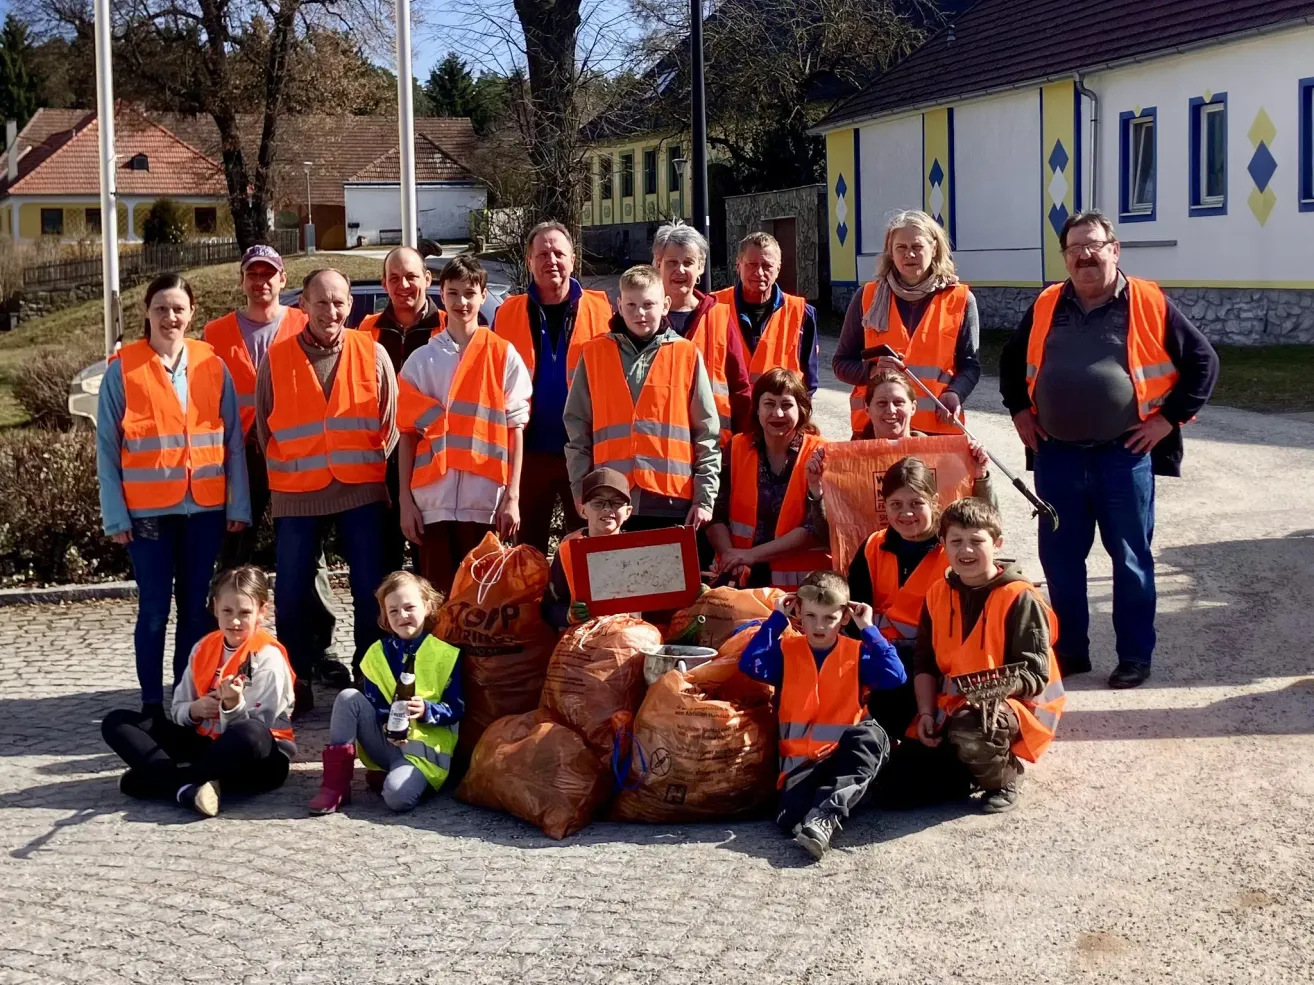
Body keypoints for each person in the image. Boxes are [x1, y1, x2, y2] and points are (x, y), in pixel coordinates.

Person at [1000, 209, 1219, 689]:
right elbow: (1012, 361)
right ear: (1065, 257)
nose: (1084, 255)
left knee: (1131, 558)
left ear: (1114, 250)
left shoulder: (1147, 301)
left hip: (1123, 455)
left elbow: (1204, 362)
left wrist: (1167, 420)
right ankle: (1071, 651)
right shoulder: (1046, 304)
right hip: (1056, 456)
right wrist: (1019, 412)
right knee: (1060, 559)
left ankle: (1135, 656)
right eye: (1074, 248)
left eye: (1094, 245)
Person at [97, 273, 251, 716]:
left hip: (203, 509)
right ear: (146, 312)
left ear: (191, 313)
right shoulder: (122, 369)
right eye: (161, 308)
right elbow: (106, 449)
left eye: (178, 309)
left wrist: (236, 503)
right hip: (147, 513)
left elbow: (233, 441)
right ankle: (150, 703)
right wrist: (116, 517)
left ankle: (187, 697)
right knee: (153, 610)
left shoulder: (211, 364)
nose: (170, 317)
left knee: (194, 609)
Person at [255, 268, 398, 716]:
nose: (330, 311)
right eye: (321, 302)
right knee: (292, 591)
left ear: (351, 304)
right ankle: (295, 681)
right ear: (303, 306)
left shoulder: (372, 354)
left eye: (338, 302)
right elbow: (264, 428)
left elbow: (390, 426)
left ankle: (370, 676)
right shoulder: (275, 360)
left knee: (369, 587)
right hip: (297, 493)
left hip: (361, 491)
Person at [204, 244, 337, 671]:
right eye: (252, 275)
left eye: (269, 274)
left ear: (283, 280)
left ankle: (319, 648)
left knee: (306, 551)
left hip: (294, 454)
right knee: (235, 552)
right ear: (242, 281)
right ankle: (230, 647)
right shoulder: (217, 333)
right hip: (239, 458)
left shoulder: (303, 321)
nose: (261, 282)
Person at [895, 498, 1064, 814]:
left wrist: (982, 693)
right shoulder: (937, 593)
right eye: (956, 541)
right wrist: (926, 715)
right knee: (896, 790)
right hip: (956, 707)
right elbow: (925, 662)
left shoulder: (1020, 596)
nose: (966, 550)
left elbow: (1035, 675)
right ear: (942, 544)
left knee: (972, 728)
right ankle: (968, 766)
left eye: (977, 541)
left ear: (997, 543)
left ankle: (1005, 776)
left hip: (1015, 706)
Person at [101, 566, 296, 818]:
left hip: (258, 758)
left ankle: (164, 780)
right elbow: (179, 708)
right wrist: (194, 710)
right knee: (117, 721)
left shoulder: (268, 656)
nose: (235, 621)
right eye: (227, 611)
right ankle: (185, 786)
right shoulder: (204, 646)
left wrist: (232, 706)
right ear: (215, 607)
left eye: (244, 613)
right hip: (205, 743)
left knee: (249, 733)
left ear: (261, 612)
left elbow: (258, 731)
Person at [737, 570, 904, 859]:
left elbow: (896, 676)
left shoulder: (857, 651)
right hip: (801, 767)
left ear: (845, 617)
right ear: (798, 611)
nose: (819, 626)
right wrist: (777, 620)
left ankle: (826, 815)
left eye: (829, 618)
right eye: (811, 616)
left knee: (871, 735)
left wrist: (869, 629)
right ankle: (836, 803)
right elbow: (750, 664)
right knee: (788, 821)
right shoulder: (787, 650)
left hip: (845, 752)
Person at [397, 254, 531, 594]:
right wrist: (406, 502)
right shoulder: (422, 361)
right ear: (441, 294)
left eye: (470, 293)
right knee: (438, 603)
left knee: (485, 604)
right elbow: (407, 435)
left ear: (483, 296)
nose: (462, 302)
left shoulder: (503, 355)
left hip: (486, 503)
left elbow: (516, 431)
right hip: (433, 505)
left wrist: (512, 497)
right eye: (453, 293)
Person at [564, 264, 720, 533]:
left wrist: (704, 498)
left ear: (665, 305)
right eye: (631, 305)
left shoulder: (686, 355)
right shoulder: (593, 354)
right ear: (619, 305)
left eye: (649, 304)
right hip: (609, 503)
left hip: (670, 502)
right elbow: (577, 432)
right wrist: (581, 491)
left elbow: (706, 433)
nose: (640, 313)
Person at [493, 222, 613, 555]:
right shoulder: (508, 312)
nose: (552, 261)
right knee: (526, 552)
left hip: (584, 451)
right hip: (528, 452)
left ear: (573, 259)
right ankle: (534, 608)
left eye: (559, 253)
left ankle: (577, 609)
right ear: (529, 261)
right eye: (542, 254)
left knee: (583, 551)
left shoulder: (604, 311)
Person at [308, 571, 462, 814]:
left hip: (422, 753)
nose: (402, 615)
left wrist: (427, 710)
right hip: (385, 742)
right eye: (393, 611)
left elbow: (456, 708)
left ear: (427, 606)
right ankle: (335, 785)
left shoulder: (446, 654)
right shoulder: (377, 653)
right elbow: (371, 700)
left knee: (397, 798)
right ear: (384, 617)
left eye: (409, 607)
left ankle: (414, 780)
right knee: (348, 697)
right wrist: (386, 722)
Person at [832, 209, 982, 438]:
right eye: (901, 247)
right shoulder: (867, 297)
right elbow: (841, 363)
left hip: (937, 430)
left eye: (917, 247)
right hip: (875, 431)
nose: (909, 255)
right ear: (890, 253)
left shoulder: (960, 299)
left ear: (934, 248)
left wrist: (955, 393)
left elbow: (970, 365)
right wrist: (871, 371)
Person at [357, 246, 449, 572]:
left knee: (432, 572)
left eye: (411, 276)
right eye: (394, 278)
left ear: (427, 278)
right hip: (379, 468)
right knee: (383, 573)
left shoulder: (449, 327)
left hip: (434, 467)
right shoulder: (365, 333)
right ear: (384, 283)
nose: (403, 285)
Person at [845, 457, 946, 738]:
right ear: (884, 505)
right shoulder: (872, 546)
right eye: (896, 505)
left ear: (934, 501)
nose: (907, 513)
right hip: (881, 655)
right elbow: (853, 617)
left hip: (935, 662)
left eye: (916, 503)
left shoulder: (954, 549)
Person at [705, 368, 828, 589]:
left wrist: (750, 555)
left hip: (799, 589)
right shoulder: (736, 447)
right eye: (769, 404)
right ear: (757, 410)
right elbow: (715, 513)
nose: (778, 413)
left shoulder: (821, 453)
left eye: (787, 405)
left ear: (802, 410)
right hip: (738, 577)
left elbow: (816, 529)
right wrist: (729, 555)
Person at [808, 370, 997, 506]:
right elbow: (832, 531)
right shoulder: (848, 462)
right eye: (882, 403)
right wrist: (817, 492)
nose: (890, 410)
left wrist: (980, 477)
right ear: (867, 409)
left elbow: (981, 520)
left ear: (913, 407)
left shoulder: (940, 457)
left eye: (898, 402)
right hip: (873, 557)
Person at [652, 222, 752, 444]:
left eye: (688, 262)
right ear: (657, 265)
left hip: (714, 451)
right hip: (658, 453)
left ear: (700, 268)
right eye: (671, 263)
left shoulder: (720, 317)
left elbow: (740, 389)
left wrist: (742, 445)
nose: (680, 270)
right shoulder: (642, 319)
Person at [714, 232, 819, 392]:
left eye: (767, 266)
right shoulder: (713, 307)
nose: (760, 272)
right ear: (738, 265)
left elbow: (809, 382)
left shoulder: (802, 313)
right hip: (727, 413)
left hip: (778, 414)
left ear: (778, 268)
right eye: (752, 264)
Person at [542, 467, 634, 631]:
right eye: (598, 502)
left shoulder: (641, 550)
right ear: (583, 510)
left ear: (628, 512)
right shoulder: (567, 549)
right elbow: (548, 608)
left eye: (617, 502)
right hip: (581, 639)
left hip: (631, 635)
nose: (607, 509)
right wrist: (568, 615)